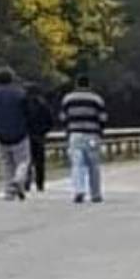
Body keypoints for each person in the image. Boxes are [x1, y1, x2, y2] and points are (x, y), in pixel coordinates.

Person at [0, 66, 30, 201]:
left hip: (0, 134)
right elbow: (28, 112)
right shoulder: (21, 93)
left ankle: (9, 192)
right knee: (23, 161)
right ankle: (18, 179)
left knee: (6, 164)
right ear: (12, 78)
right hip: (20, 133)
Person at [60, 75, 107, 204]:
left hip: (75, 134)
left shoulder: (68, 99)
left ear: (76, 84)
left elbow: (63, 117)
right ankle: (95, 194)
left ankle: (79, 191)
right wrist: (100, 132)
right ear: (89, 84)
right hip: (92, 134)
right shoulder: (96, 99)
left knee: (77, 164)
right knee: (94, 165)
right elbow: (102, 118)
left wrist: (68, 130)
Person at [24, 83, 53, 192]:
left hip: (26, 136)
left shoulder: (23, 104)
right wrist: (43, 132)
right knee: (39, 162)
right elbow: (50, 121)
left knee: (26, 160)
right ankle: (40, 184)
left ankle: (26, 182)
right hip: (39, 136)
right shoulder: (43, 104)